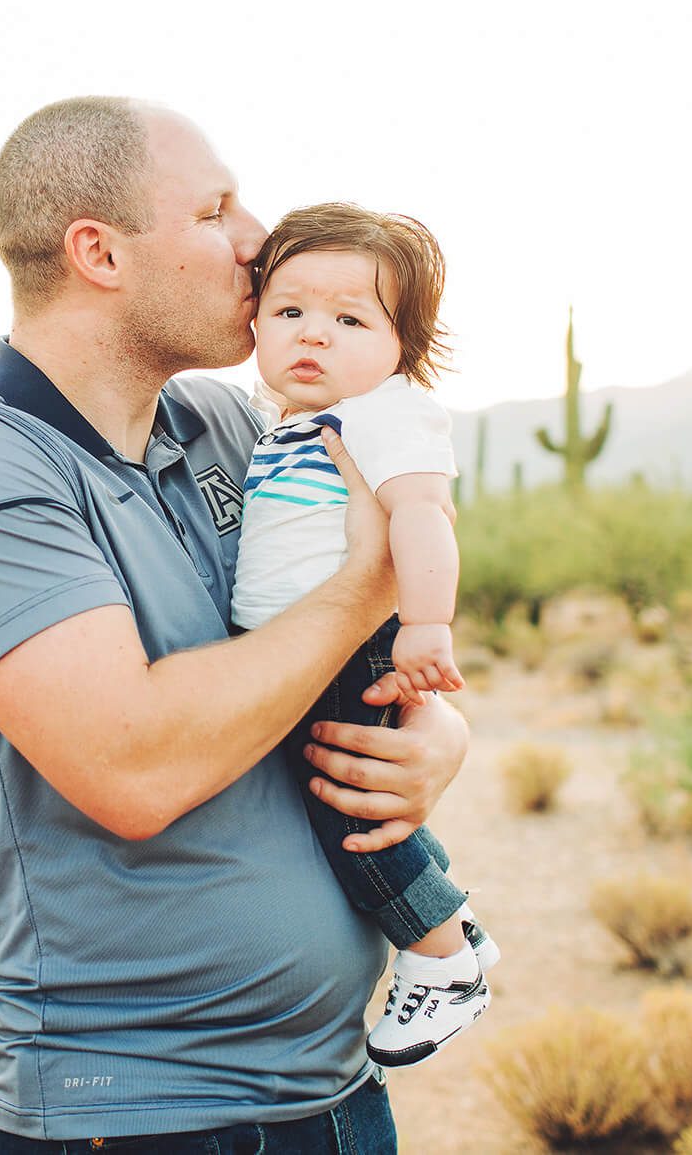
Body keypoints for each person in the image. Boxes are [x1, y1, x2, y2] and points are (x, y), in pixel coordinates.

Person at [0, 96, 468, 1153]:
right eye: (215, 210)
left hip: (333, 1095)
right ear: (97, 252)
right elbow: (132, 766)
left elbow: (368, 619)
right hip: (138, 1116)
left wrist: (435, 739)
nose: (257, 241)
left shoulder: (237, 426)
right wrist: (360, 590)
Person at [231, 203, 499, 1070]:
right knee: (354, 796)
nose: (316, 334)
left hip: (347, 647)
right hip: (305, 644)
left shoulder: (382, 412)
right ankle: (450, 922)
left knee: (348, 809)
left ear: (402, 345)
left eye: (351, 319)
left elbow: (423, 515)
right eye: (291, 311)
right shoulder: (294, 420)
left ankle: (442, 960)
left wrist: (427, 623)